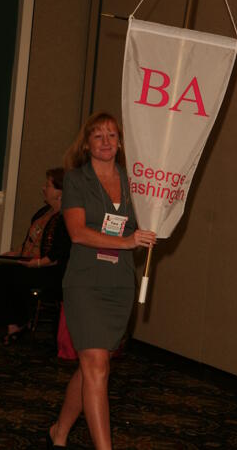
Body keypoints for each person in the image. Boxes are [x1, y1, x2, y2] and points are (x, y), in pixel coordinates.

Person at [47, 112, 156, 450]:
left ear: (120, 143)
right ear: (87, 144)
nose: (106, 141)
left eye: (112, 135)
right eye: (98, 136)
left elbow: (149, 223)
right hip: (85, 284)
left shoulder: (135, 182)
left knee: (95, 364)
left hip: (120, 284)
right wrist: (127, 241)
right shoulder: (76, 180)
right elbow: (78, 233)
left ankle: (59, 431)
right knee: (96, 364)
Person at [0, 168, 71, 345]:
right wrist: (14, 253)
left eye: (48, 185)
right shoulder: (43, 213)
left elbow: (58, 254)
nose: (43, 188)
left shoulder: (67, 218)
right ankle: (14, 324)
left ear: (60, 191)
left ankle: (18, 323)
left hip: (51, 271)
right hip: (32, 264)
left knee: (7, 275)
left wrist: (37, 264)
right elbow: (30, 241)